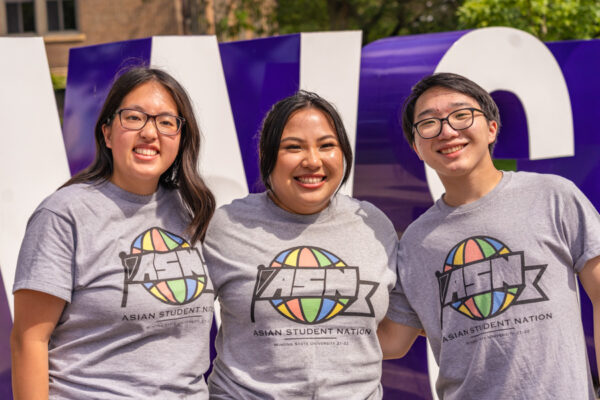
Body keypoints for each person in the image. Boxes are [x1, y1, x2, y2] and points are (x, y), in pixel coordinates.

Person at [378, 72, 600, 399]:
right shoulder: (414, 242)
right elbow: (393, 341)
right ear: (417, 147)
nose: (447, 131)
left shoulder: (553, 196)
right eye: (429, 123)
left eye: (461, 115)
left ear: (491, 127)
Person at [10, 67, 216, 399]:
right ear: (107, 133)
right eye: (134, 118)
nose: (150, 132)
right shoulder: (64, 215)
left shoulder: (194, 211)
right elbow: (29, 340)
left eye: (166, 122)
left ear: (180, 138)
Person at [203, 90, 406, 399]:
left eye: (327, 146)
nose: (312, 161)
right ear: (266, 155)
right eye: (293, 147)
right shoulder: (226, 227)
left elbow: (394, 339)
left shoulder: (373, 225)